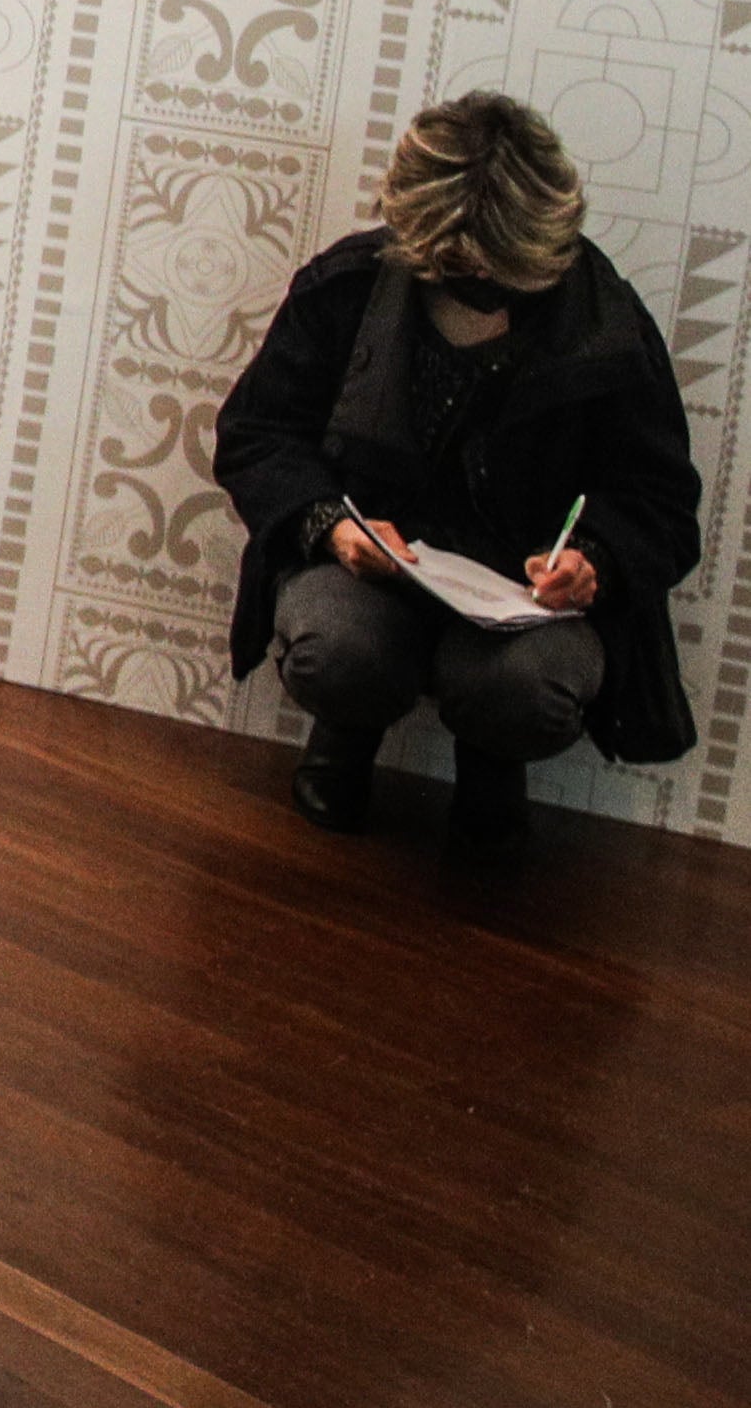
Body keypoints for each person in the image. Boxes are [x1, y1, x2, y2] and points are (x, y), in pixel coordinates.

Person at [213, 92, 704, 845]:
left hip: (524, 601)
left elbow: (661, 498)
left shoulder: (608, 328)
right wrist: (329, 525)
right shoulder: (349, 284)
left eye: (495, 259)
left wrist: (594, 561)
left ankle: (492, 764)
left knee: (528, 688)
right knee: (335, 647)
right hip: (371, 574)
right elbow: (258, 430)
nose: (473, 271)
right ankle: (343, 737)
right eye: (452, 257)